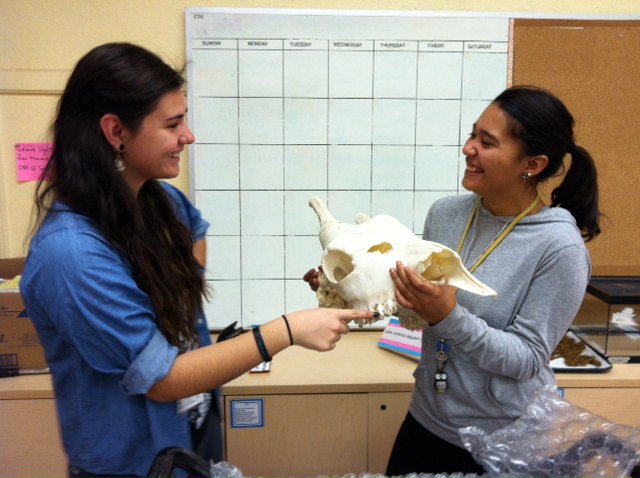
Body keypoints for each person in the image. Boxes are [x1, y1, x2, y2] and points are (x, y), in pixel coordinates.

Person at [20, 42, 376, 478]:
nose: (188, 137)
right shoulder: (69, 254)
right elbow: (164, 380)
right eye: (172, 125)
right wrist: (285, 331)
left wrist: (174, 298)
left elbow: (196, 231)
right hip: (130, 463)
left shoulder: (160, 200)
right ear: (116, 132)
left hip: (188, 435)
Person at [304, 85, 601, 475]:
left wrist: (448, 316)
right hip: (428, 418)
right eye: (472, 134)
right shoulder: (446, 214)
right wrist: (348, 287)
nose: (468, 148)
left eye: (487, 142)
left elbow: (527, 359)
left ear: (533, 164)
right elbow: (414, 307)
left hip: (505, 439)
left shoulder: (559, 249)